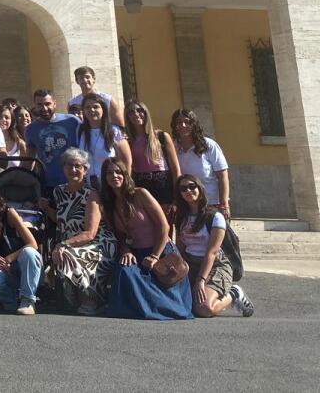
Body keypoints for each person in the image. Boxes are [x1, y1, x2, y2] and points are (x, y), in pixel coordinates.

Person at [100, 157, 192, 320]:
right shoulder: (110, 204)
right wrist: (126, 250)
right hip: (137, 253)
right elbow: (119, 235)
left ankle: (160, 308)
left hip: (161, 251)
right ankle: (136, 310)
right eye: (109, 173)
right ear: (105, 178)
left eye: (118, 172)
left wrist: (155, 256)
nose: (114, 176)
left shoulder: (140, 194)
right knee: (125, 271)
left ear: (125, 174)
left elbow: (164, 226)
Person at [43, 147, 115, 314]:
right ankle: (73, 299)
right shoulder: (58, 191)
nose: (73, 170)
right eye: (69, 165)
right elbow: (63, 219)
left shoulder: (91, 194)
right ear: (63, 168)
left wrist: (63, 245)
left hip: (99, 242)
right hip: (72, 241)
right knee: (65, 253)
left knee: (67, 254)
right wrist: (47, 209)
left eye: (78, 166)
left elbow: (90, 233)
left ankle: (92, 298)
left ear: (85, 169)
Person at [172, 174, 254, 318]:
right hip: (191, 264)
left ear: (200, 188)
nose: (188, 191)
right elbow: (181, 248)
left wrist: (200, 280)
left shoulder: (214, 217)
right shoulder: (181, 217)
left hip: (215, 266)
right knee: (176, 303)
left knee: (204, 309)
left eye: (192, 186)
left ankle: (234, 294)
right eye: (183, 188)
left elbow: (212, 252)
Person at [0, 182, 42, 315]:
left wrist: (8, 259)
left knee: (29, 252)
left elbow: (32, 244)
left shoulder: (9, 213)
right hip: (6, 270)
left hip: (27, 266)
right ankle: (11, 302)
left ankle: (28, 300)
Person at [171, 109, 231, 217]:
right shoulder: (172, 147)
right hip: (185, 205)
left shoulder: (209, 145)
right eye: (179, 122)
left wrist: (224, 204)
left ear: (194, 124)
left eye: (187, 122)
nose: (183, 125)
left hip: (210, 204)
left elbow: (223, 176)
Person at [25, 89, 81, 192]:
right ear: (35, 105)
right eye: (40, 104)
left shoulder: (72, 121)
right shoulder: (31, 129)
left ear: (54, 103)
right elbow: (29, 160)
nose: (44, 108)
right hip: (48, 185)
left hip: (75, 181)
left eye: (47, 104)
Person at [126, 100, 180, 204]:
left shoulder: (161, 136)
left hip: (163, 184)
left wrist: (177, 194)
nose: (136, 114)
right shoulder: (128, 141)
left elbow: (175, 168)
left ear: (146, 113)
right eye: (131, 112)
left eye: (139, 110)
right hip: (141, 184)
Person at [78, 92, 131, 186]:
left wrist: (125, 184)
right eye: (88, 107)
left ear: (103, 109)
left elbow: (126, 160)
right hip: (88, 186)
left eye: (96, 106)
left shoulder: (114, 131)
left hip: (111, 185)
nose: (92, 110)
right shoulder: (80, 131)